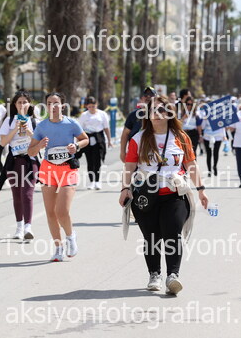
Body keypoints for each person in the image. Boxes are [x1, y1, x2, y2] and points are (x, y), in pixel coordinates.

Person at [119, 95, 208, 295]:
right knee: (151, 237)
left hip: (175, 194)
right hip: (146, 195)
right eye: (153, 110)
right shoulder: (138, 138)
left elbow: (191, 165)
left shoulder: (181, 137)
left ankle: (172, 276)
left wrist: (201, 189)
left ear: (169, 113)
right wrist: (124, 189)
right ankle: (154, 274)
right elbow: (129, 166)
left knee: (173, 233)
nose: (157, 114)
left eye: (161, 110)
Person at [28, 92, 89, 262]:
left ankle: (70, 237)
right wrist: (40, 145)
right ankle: (58, 248)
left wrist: (76, 146)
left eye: (56, 103)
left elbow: (85, 139)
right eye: (49, 103)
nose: (52, 106)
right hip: (48, 170)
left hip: (68, 169)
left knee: (62, 211)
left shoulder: (71, 123)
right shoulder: (41, 126)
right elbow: (31, 151)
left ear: (62, 105)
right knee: (50, 213)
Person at [0, 90, 41, 239]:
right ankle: (19, 227)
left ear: (30, 104)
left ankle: (28, 227)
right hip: (14, 161)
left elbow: (40, 141)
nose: (22, 105)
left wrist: (28, 130)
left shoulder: (34, 121)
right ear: (15, 105)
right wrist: (15, 128)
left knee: (27, 194)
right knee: (17, 195)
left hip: (30, 161)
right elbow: (3, 142)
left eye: (25, 102)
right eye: (19, 102)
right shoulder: (9, 121)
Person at [77, 96, 113, 190]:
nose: (92, 108)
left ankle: (97, 181)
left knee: (97, 160)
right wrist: (78, 143)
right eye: (89, 107)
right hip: (87, 138)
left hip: (99, 138)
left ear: (96, 105)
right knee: (90, 161)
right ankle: (91, 181)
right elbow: (79, 130)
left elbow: (106, 128)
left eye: (93, 106)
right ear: (87, 106)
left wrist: (109, 141)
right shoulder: (84, 115)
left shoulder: (102, 114)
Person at [120, 86, 157, 162]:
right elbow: (125, 134)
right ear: (142, 98)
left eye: (151, 95)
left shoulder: (160, 115)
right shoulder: (133, 115)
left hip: (154, 153)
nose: (148, 97)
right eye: (146, 95)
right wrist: (122, 152)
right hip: (135, 153)